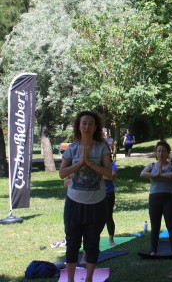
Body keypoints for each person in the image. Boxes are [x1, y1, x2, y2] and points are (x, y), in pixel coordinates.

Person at [59, 111, 112, 282]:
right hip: (74, 203)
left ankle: (89, 278)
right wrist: (79, 163)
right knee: (72, 242)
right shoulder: (72, 148)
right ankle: (71, 279)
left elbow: (109, 174)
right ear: (78, 126)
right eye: (84, 123)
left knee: (92, 242)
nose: (87, 126)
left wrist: (89, 162)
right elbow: (62, 174)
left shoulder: (102, 147)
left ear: (95, 127)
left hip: (97, 203)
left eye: (91, 123)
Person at [140, 141, 172, 256]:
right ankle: (153, 250)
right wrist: (155, 174)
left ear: (168, 153)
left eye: (163, 151)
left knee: (170, 225)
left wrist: (161, 175)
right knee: (155, 225)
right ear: (156, 153)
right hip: (155, 198)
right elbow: (142, 174)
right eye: (159, 151)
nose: (161, 153)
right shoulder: (151, 165)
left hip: (169, 197)